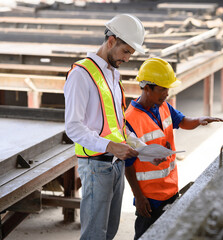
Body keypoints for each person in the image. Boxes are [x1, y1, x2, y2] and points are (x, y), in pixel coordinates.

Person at [64, 14, 146, 240]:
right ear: (111, 41)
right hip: (95, 165)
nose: (128, 58)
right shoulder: (81, 74)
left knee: (109, 232)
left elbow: (117, 123)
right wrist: (110, 146)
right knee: (94, 235)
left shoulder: (112, 73)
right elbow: (73, 127)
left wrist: (140, 146)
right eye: (126, 51)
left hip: (116, 163)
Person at [124, 58, 223, 240]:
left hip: (170, 189)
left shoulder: (163, 107)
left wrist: (199, 120)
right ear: (147, 88)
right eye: (162, 89)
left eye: (167, 88)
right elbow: (128, 164)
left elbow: (183, 121)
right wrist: (139, 198)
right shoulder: (130, 120)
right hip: (149, 198)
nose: (166, 93)